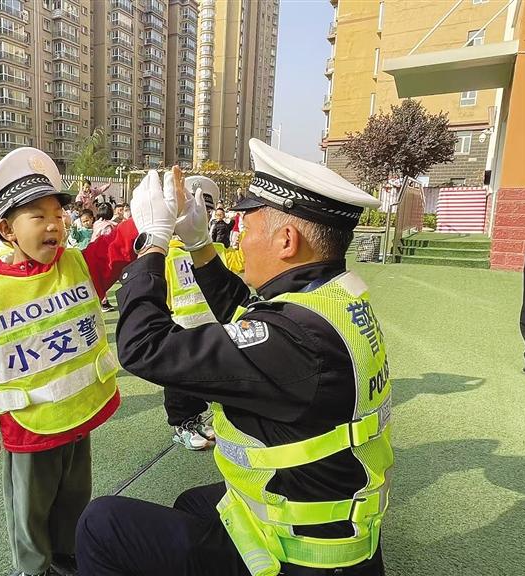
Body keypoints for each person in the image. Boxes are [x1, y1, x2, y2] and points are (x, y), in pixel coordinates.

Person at [76, 139, 392, 576]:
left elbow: (144, 348)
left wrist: (151, 245)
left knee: (101, 524)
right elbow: (249, 315)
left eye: (249, 224)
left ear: (286, 239)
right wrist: (201, 244)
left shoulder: (297, 341)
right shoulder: (330, 298)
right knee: (194, 503)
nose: (240, 235)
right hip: (332, 522)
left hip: (303, 558)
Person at [0, 147, 137, 576]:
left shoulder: (77, 265)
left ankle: (68, 554)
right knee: (30, 507)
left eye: (58, 215)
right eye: (38, 216)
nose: (54, 225)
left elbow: (115, 248)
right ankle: (34, 566)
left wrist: (147, 215)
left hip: (78, 417)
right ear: (7, 229)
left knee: (75, 496)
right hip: (29, 427)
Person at [163, 175, 225, 450]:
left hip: (209, 326)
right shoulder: (166, 252)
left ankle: (196, 419)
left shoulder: (214, 248)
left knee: (202, 378)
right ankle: (182, 424)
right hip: (180, 327)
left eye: (204, 211)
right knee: (179, 380)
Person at [91, 203, 118, 312]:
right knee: (102, 280)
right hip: (102, 254)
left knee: (97, 278)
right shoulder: (108, 226)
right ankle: (103, 302)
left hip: (92, 251)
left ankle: (102, 301)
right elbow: (108, 241)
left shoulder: (97, 223)